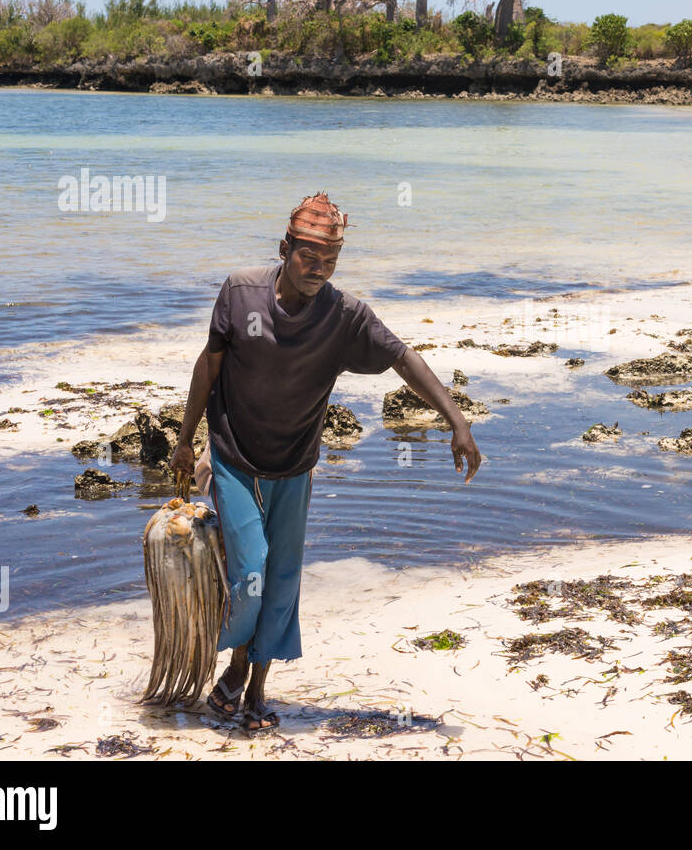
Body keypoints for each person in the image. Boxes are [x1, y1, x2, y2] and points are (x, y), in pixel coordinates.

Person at [168, 191, 482, 733]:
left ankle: (256, 685)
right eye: (308, 257)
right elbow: (209, 364)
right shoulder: (241, 292)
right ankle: (238, 660)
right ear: (285, 248)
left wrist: (458, 421)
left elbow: (404, 360)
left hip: (295, 463)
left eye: (329, 262)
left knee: (283, 577)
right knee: (252, 571)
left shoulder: (344, 315)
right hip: (233, 455)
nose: (318, 270)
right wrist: (184, 436)